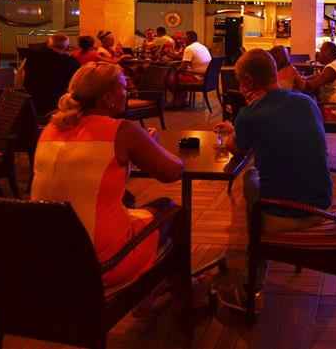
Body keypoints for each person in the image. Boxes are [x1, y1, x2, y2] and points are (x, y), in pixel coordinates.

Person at [31, 62, 183, 288]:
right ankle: (160, 290)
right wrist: (152, 145)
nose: (128, 91)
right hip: (99, 263)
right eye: (123, 86)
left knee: (127, 200)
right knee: (170, 209)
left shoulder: (50, 129)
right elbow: (173, 171)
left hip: (46, 257)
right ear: (107, 98)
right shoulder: (122, 130)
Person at [213, 49, 332, 295]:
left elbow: (235, 147)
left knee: (246, 182)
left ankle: (248, 276)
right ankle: (254, 265)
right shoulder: (306, 102)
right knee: (257, 178)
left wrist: (233, 130)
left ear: (247, 81)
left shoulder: (250, 114)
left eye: (239, 81)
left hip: (287, 213)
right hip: (321, 204)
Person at [22, 34, 80, 117]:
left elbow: (21, 77)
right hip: (56, 105)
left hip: (32, 102)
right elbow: (74, 85)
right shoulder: (71, 62)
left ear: (48, 44)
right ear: (67, 47)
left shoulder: (32, 56)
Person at [302, 41, 336, 121]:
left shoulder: (332, 68)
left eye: (321, 51)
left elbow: (310, 86)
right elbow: (319, 76)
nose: (318, 54)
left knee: (303, 111)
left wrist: (297, 80)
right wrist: (304, 78)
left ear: (327, 54)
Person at [168, 31, 212, 108]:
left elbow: (183, 67)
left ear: (189, 39)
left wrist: (175, 70)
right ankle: (182, 100)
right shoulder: (202, 46)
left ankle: (177, 102)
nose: (183, 40)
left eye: (184, 38)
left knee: (171, 78)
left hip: (198, 77)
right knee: (178, 75)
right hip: (206, 77)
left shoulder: (189, 48)